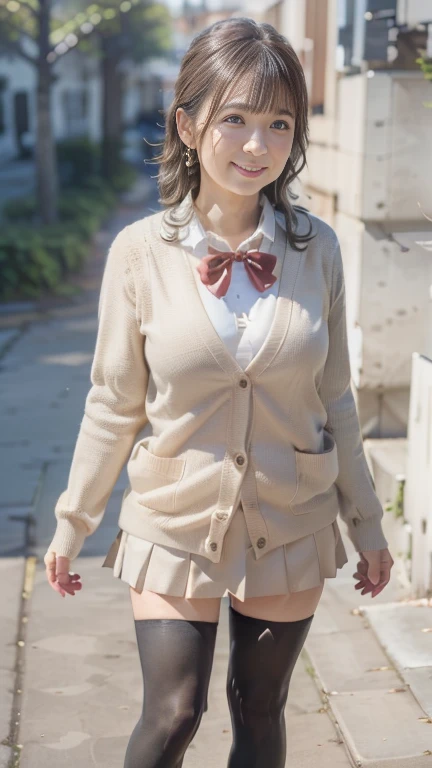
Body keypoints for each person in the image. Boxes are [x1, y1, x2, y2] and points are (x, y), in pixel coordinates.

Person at [43, 16, 394, 768]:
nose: (257, 145)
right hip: (173, 516)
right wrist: (73, 522)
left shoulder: (317, 248)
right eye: (234, 118)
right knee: (174, 713)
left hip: (291, 515)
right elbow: (112, 402)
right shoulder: (139, 254)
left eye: (278, 122)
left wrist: (367, 522)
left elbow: (336, 398)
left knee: (259, 709)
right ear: (188, 122)